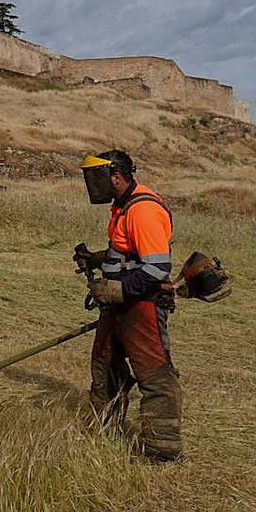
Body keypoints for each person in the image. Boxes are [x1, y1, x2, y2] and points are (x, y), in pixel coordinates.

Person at [73, 150, 183, 462]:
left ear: (116, 176)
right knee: (106, 367)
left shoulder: (143, 210)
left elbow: (156, 270)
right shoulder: (121, 207)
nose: (93, 185)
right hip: (119, 306)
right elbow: (125, 252)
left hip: (142, 306)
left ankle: (163, 451)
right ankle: (104, 430)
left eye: (97, 177)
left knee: (155, 376)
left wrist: (116, 290)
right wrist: (96, 259)